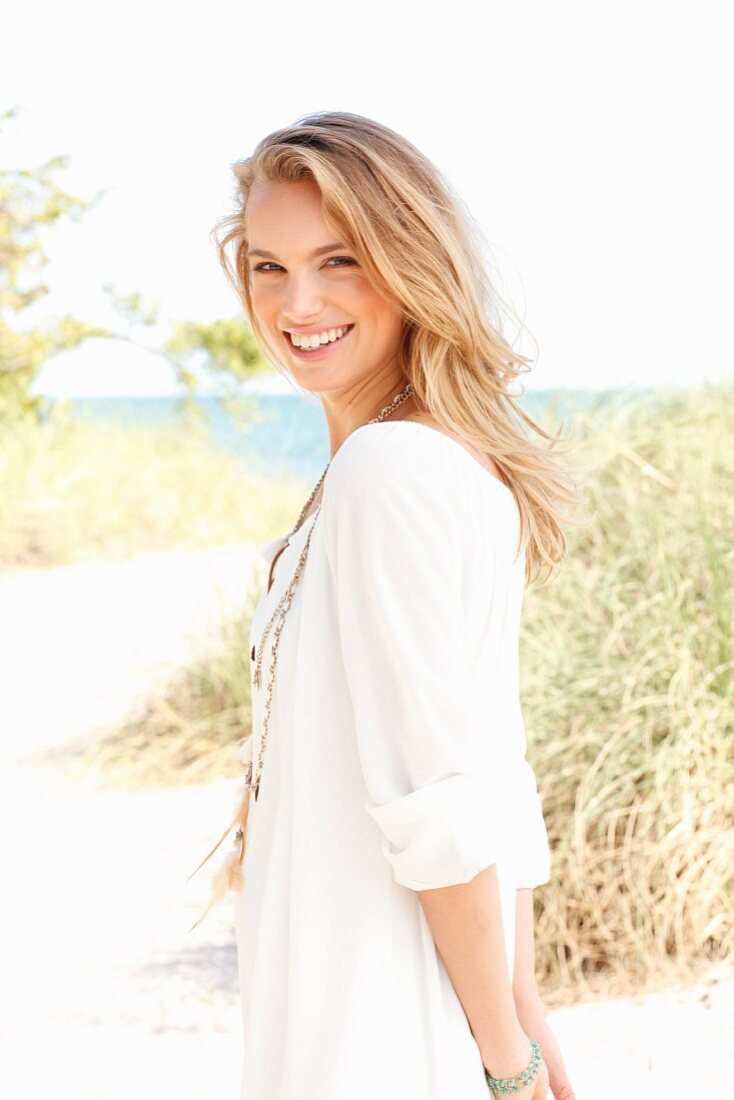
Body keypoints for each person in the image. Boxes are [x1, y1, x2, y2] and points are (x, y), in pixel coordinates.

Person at [190, 111, 585, 1099]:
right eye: (268, 267)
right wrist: (517, 1008)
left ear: (406, 262)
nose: (297, 302)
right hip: (383, 997)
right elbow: (492, 768)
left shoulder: (386, 467)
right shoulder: (419, 457)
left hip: (373, 1015)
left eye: (338, 261)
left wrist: (507, 1052)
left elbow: (448, 797)